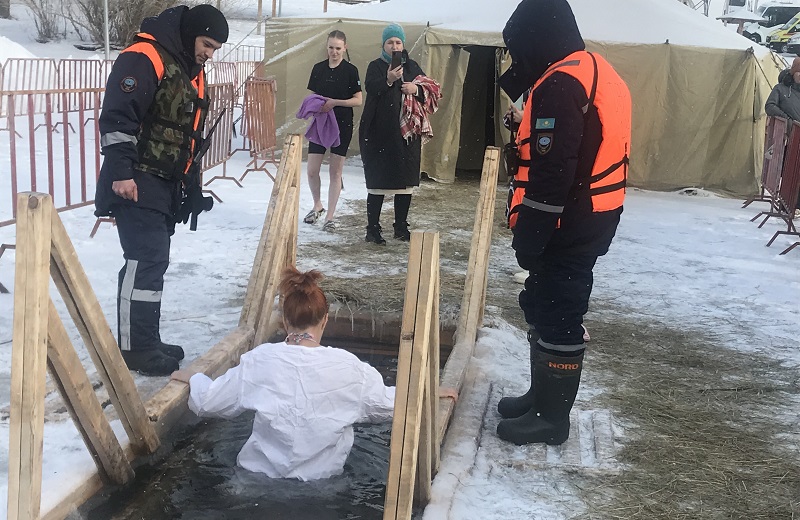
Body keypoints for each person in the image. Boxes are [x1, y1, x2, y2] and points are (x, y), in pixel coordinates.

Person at [495, 0, 631, 446]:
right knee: (547, 301)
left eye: (517, 48)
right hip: (594, 215)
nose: (517, 60)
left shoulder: (560, 83)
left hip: (569, 222)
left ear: (536, 38)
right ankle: (541, 397)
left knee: (559, 311)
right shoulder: (594, 69)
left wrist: (530, 238)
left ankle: (552, 420)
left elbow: (554, 172)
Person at [94, 4, 228, 376]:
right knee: (145, 260)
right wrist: (122, 173)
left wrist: (192, 187)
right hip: (135, 179)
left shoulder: (190, 69)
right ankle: (135, 349)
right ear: (190, 34)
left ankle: (145, 340)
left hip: (164, 184)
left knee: (153, 261)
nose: (209, 54)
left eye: (215, 49)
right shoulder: (144, 56)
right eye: (207, 44)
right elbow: (118, 118)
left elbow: (189, 137)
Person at [171, 267, 395, 481]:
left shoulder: (260, 359)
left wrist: (195, 378)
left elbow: (209, 403)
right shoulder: (352, 369)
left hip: (254, 480)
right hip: (321, 487)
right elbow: (391, 406)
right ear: (325, 319)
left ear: (285, 322)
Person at [359, 24, 433, 245]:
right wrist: (389, 79)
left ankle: (400, 226)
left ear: (403, 44)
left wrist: (416, 89)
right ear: (383, 44)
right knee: (378, 181)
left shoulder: (412, 66)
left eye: (398, 42)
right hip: (379, 132)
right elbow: (371, 88)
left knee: (405, 181)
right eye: (390, 42)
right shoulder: (375, 66)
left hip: (406, 133)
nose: (394, 46)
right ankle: (372, 229)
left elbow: (428, 89)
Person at [302, 30, 363, 232]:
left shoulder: (351, 70)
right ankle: (317, 205)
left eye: (338, 48)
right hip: (321, 123)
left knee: (335, 171)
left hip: (342, 124)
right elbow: (313, 95)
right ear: (326, 47)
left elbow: (358, 100)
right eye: (331, 48)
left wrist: (336, 103)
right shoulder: (318, 69)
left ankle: (330, 216)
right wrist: (314, 106)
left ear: (345, 48)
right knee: (312, 170)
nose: (334, 52)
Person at [765, 57, 800, 219]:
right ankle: (788, 202)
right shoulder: (781, 89)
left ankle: (796, 204)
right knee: (788, 171)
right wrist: (786, 121)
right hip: (789, 137)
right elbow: (770, 106)